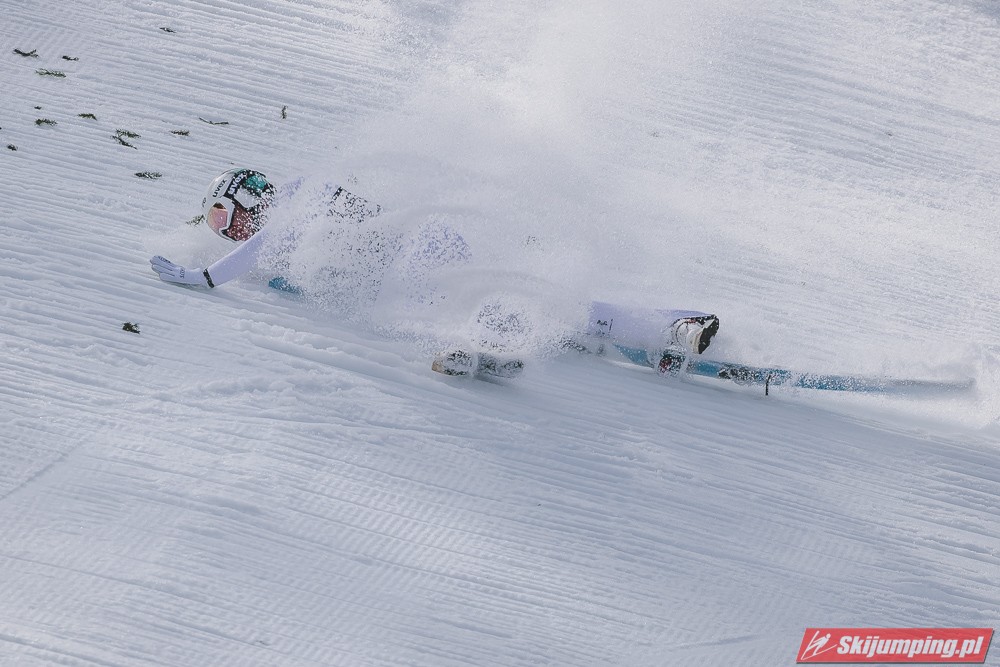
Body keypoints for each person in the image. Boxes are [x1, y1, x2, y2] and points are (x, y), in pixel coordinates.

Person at [151, 168, 720, 373]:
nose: (226, 231)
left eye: (223, 216)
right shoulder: (272, 253)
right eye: (216, 227)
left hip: (417, 252)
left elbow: (261, 247)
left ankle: (480, 343)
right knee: (534, 307)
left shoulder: (293, 200)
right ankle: (673, 329)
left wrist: (205, 278)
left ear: (248, 196)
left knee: (437, 302)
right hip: (407, 268)